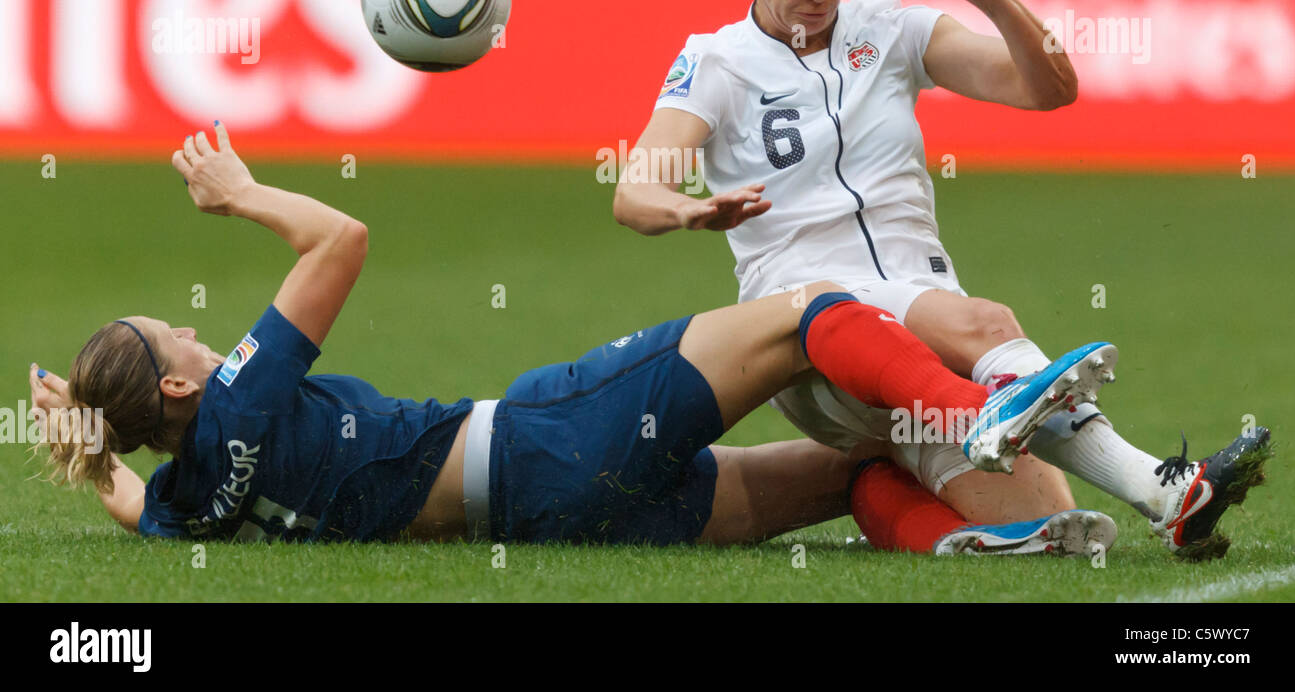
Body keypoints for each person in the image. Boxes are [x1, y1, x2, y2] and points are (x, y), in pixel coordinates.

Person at [29, 121, 1119, 556]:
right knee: (804, 311)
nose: (193, 327)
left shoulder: (192, 498)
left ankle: (983, 544)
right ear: (176, 381)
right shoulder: (239, 399)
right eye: (175, 330)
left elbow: (131, 497)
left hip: (569, 518)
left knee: (850, 472)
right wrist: (241, 192)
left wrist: (87, 439)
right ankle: (986, 409)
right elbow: (340, 238)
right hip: (552, 434)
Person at [613, 0, 1270, 560]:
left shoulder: (893, 32)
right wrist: (689, 211)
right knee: (989, 323)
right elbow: (635, 190)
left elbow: (1047, 88)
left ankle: (940, 512)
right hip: (810, 329)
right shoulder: (717, 62)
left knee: (1058, 527)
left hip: (926, 334)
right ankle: (1163, 484)